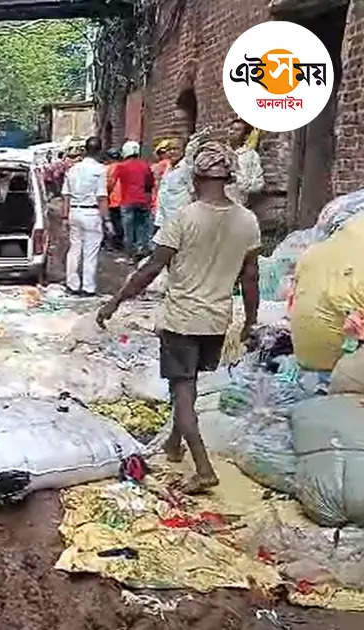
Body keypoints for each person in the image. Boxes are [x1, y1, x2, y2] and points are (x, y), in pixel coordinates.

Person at [97, 141, 261, 494]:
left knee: (182, 391)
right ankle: (174, 443)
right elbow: (250, 277)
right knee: (189, 384)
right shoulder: (248, 221)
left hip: (182, 320)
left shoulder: (184, 218)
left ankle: (203, 468)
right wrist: (250, 320)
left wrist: (115, 302)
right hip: (217, 320)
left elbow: (151, 269)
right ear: (229, 177)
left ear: (196, 177)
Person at [62, 137, 113, 296]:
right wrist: (107, 220)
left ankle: (72, 285)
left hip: (74, 212)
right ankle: (88, 287)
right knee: (90, 252)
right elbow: (102, 197)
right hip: (91, 213)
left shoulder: (73, 169)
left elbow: (66, 195)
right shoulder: (100, 170)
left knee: (74, 249)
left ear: (85, 150)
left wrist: (65, 216)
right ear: (99, 150)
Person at [109, 140, 154, 259]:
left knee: (128, 229)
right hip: (142, 201)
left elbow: (112, 182)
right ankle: (140, 249)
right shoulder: (145, 165)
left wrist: (107, 194)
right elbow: (150, 183)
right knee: (141, 227)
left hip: (127, 201)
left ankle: (130, 254)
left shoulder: (121, 166)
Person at [227, 118, 264, 207]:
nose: (232, 132)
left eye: (237, 130)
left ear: (246, 136)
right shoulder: (219, 152)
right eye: (231, 129)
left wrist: (239, 180)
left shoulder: (251, 155)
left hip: (240, 206)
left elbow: (259, 184)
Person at [104, 148, 125, 251]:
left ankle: (114, 243)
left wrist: (105, 194)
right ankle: (120, 242)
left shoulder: (110, 168)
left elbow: (110, 182)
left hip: (114, 198)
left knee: (114, 221)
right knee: (121, 222)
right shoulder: (125, 166)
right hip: (125, 198)